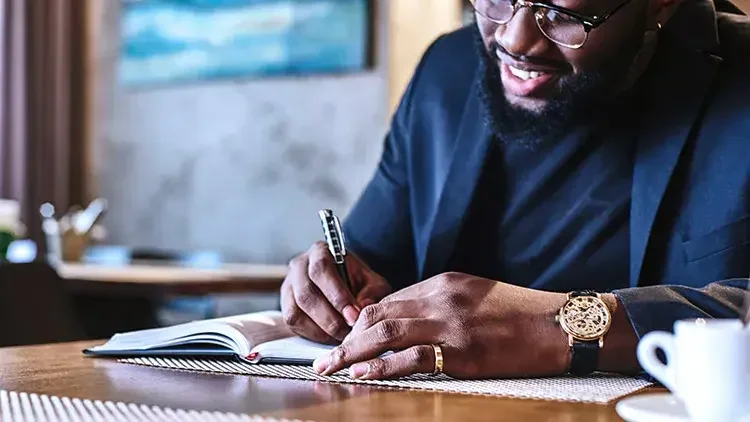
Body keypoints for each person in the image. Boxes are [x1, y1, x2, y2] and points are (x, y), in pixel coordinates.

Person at [280, 0, 750, 380]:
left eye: (563, 14)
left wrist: (561, 327)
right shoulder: (447, 70)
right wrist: (331, 287)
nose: (514, 39)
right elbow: (372, 261)